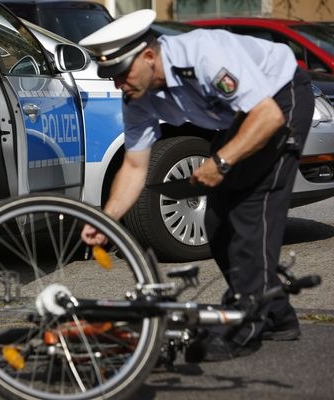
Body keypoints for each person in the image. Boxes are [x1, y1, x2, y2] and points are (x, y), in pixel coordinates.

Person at [78, 9, 314, 361]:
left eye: (122, 73)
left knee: (252, 208)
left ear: (147, 55)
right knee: (216, 220)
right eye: (110, 76)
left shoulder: (203, 55)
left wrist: (221, 162)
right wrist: (106, 219)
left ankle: (244, 324)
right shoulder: (137, 97)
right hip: (248, 111)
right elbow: (133, 165)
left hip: (280, 99)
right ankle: (277, 315)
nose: (118, 84)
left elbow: (267, 115)